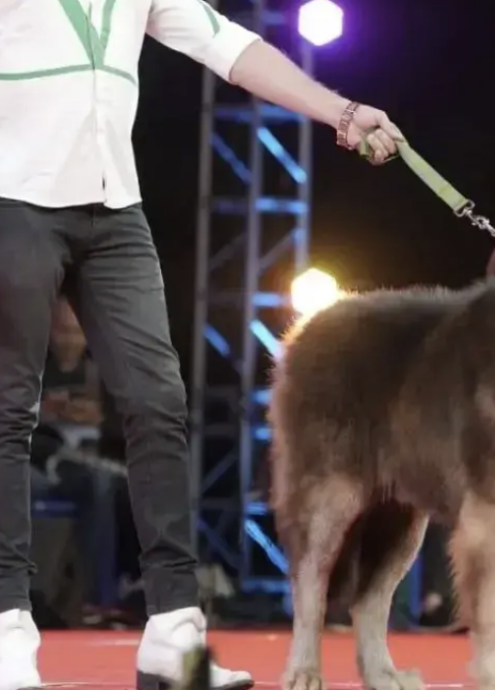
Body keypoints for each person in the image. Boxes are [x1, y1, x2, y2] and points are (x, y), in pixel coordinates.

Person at [0, 4, 404, 690]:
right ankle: (7, 629)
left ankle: (173, 633)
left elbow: (230, 47)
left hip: (112, 208)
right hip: (13, 198)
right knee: (9, 413)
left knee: (158, 404)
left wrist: (340, 111)